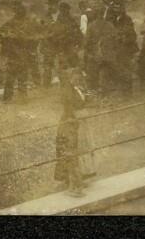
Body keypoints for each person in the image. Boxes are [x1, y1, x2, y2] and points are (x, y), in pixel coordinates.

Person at [54, 68, 95, 196]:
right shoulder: (67, 90)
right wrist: (75, 118)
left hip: (79, 121)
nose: (78, 79)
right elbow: (69, 107)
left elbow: (86, 101)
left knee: (80, 149)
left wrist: (87, 96)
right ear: (70, 78)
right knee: (70, 151)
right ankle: (72, 184)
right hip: (70, 122)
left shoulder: (79, 88)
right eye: (76, 77)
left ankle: (79, 179)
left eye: (80, 77)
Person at [0, 4, 32, 102]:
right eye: (20, 11)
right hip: (14, 54)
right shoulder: (11, 23)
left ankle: (20, 97)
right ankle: (11, 98)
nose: (22, 13)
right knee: (12, 77)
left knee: (20, 77)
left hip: (22, 53)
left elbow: (32, 37)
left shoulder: (26, 23)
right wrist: (7, 38)